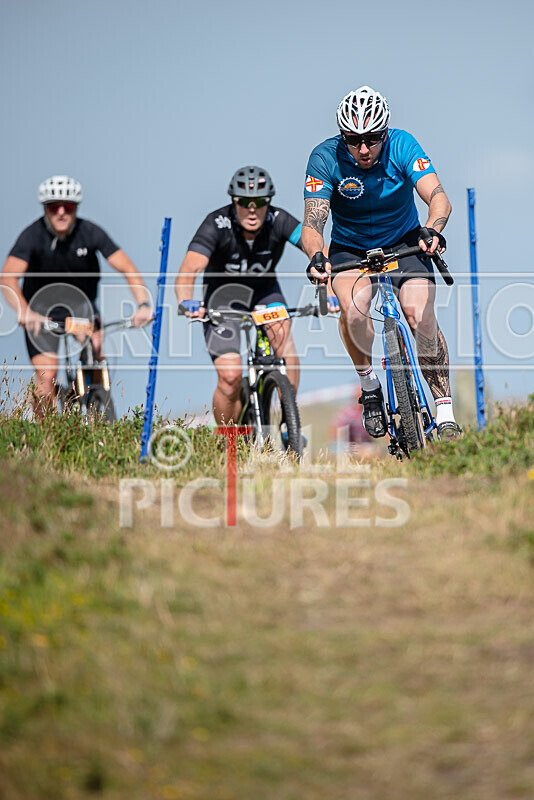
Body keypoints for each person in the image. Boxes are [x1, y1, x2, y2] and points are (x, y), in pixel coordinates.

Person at [302, 86, 462, 440]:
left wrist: (433, 230)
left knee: (419, 314)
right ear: (342, 136)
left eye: (372, 139)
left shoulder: (403, 144)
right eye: (353, 140)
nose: (363, 149)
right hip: (351, 249)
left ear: (385, 133)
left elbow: (438, 197)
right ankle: (369, 386)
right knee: (355, 310)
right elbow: (313, 223)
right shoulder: (325, 157)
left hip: (405, 240)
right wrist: (316, 255)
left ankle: (445, 412)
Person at [0, 175, 153, 415]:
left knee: (96, 350)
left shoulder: (90, 232)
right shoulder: (32, 236)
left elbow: (127, 268)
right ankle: (47, 432)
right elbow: (7, 278)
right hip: (42, 313)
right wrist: (25, 312)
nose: (61, 213)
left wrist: (143, 304)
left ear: (76, 208)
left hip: (82, 308)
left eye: (68, 207)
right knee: (46, 376)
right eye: (54, 207)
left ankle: (99, 406)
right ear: (45, 209)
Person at [175, 165, 305, 424]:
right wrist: (186, 300)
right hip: (222, 299)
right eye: (245, 202)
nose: (252, 209)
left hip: (264, 294)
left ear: (269, 202)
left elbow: (315, 246)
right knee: (230, 377)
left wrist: (328, 279)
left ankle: (288, 423)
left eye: (260, 202)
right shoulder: (216, 223)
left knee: (284, 345)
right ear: (234, 202)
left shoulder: (279, 219)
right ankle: (229, 439)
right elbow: (189, 270)